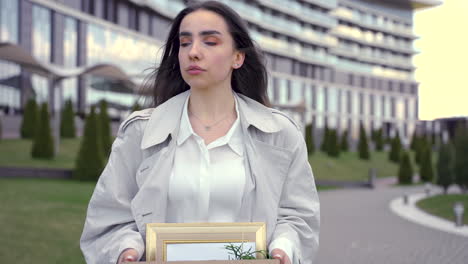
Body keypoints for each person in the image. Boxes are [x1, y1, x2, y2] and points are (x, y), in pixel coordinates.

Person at [80, 1, 320, 264]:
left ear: (237, 57)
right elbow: (110, 217)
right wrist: (126, 250)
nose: (193, 52)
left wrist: (282, 250)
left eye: (210, 42)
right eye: (184, 43)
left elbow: (297, 216)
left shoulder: (280, 134)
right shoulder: (140, 132)